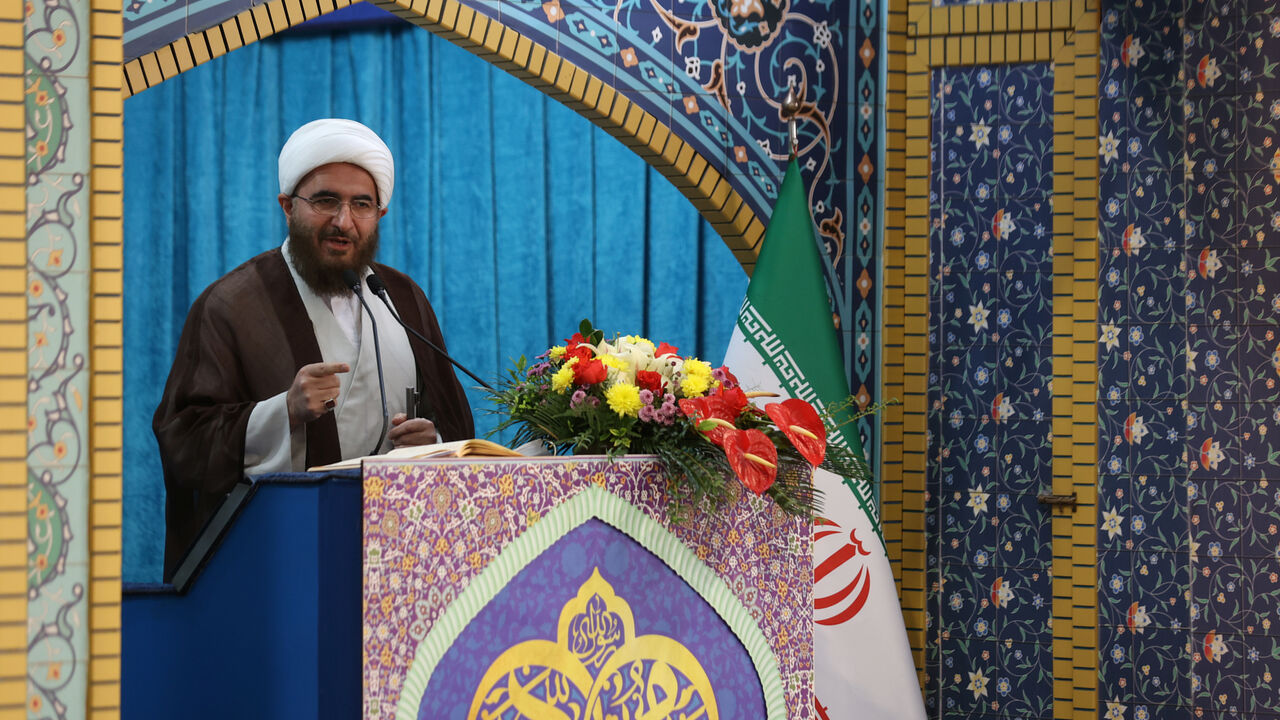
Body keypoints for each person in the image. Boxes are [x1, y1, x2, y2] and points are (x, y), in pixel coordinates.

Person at [154, 119, 474, 581]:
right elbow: (184, 442)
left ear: (380, 214)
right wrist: (282, 412)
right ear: (287, 206)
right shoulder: (231, 306)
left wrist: (434, 443)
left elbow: (456, 426)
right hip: (283, 565)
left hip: (399, 558)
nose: (343, 221)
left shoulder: (402, 298)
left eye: (361, 204)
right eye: (325, 201)